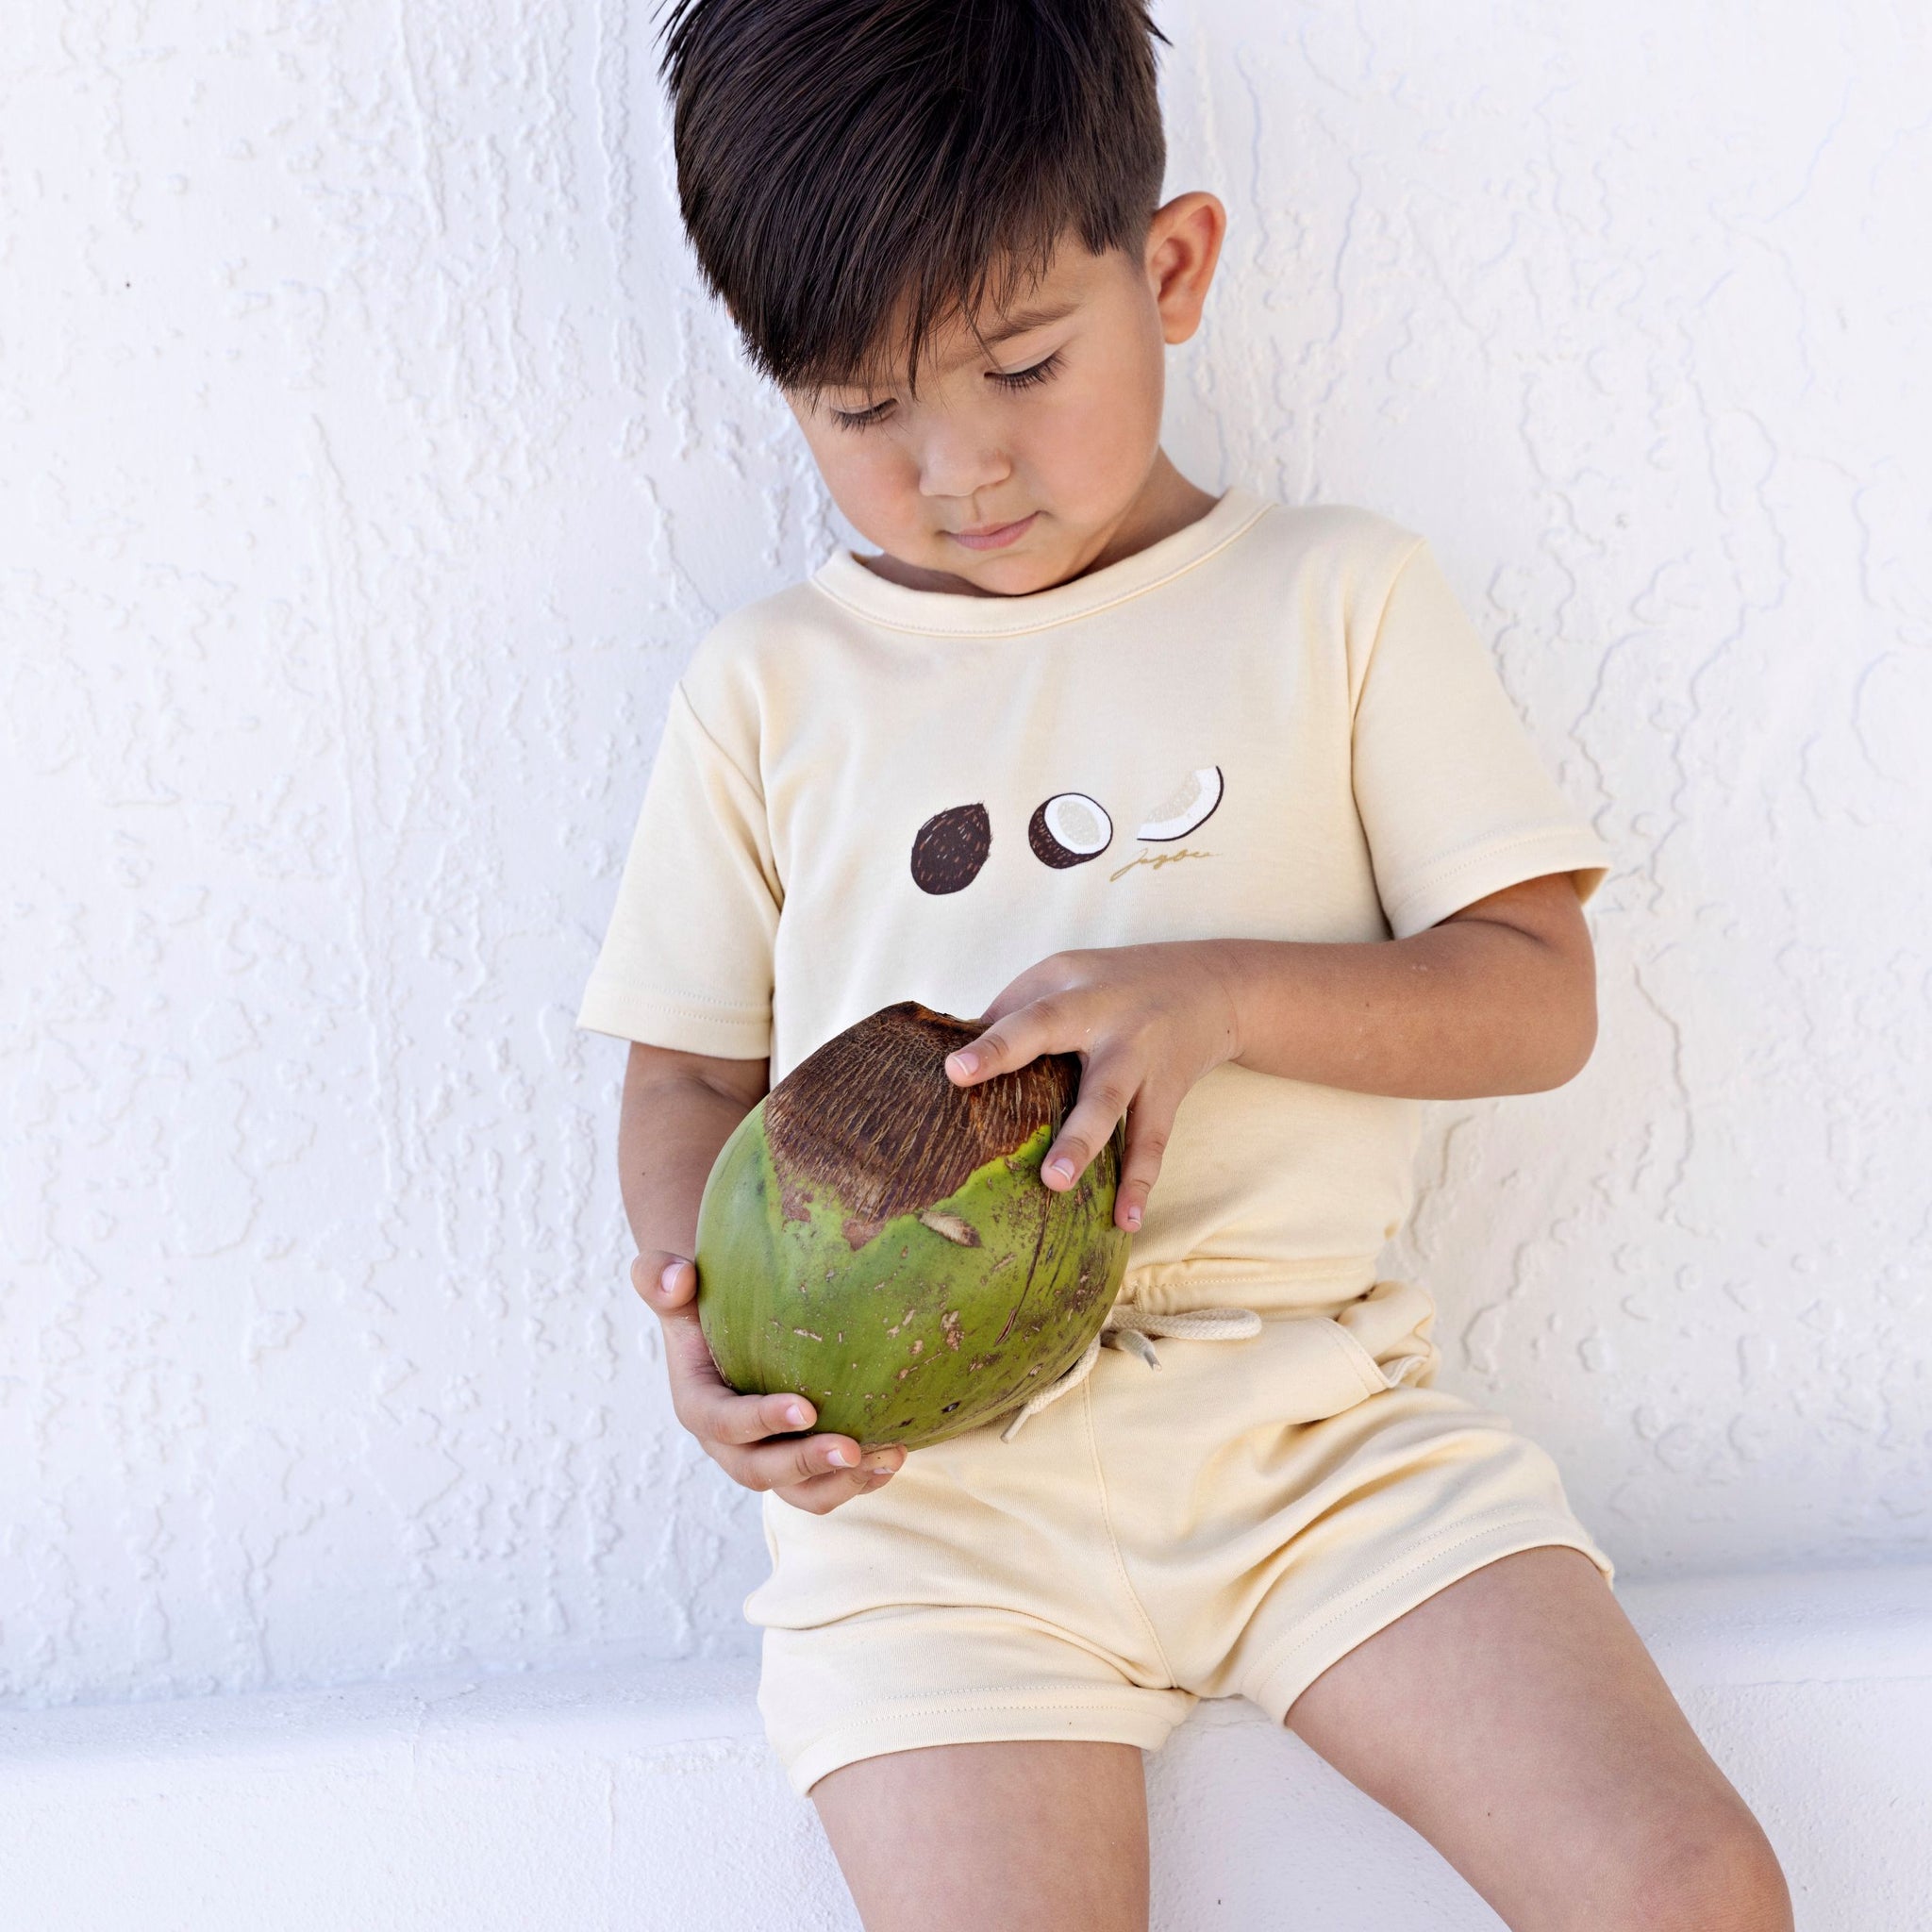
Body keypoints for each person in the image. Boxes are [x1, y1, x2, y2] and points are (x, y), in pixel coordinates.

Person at [577, 4, 1792, 1926]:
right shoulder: (768, 694)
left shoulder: (1335, 600)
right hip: (940, 1524)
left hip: (1316, 1444)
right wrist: (702, 1332)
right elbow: (683, 1081)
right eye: (862, 410)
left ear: (1170, 268)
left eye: (1020, 365)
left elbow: (1533, 991)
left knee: (1683, 1883)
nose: (957, 469)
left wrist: (1219, 997)